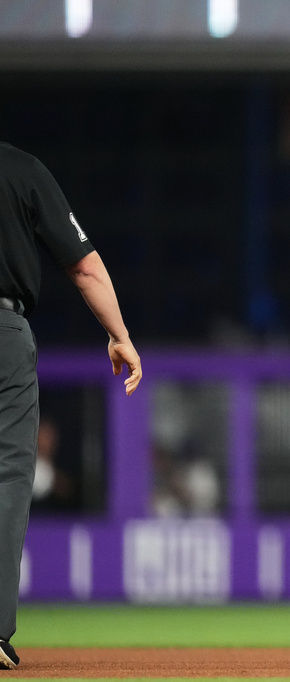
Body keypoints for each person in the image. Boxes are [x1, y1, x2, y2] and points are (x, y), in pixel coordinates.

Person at [0, 141, 142, 670]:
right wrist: (119, 334)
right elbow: (83, 266)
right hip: (3, 331)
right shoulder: (20, 168)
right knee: (10, 475)